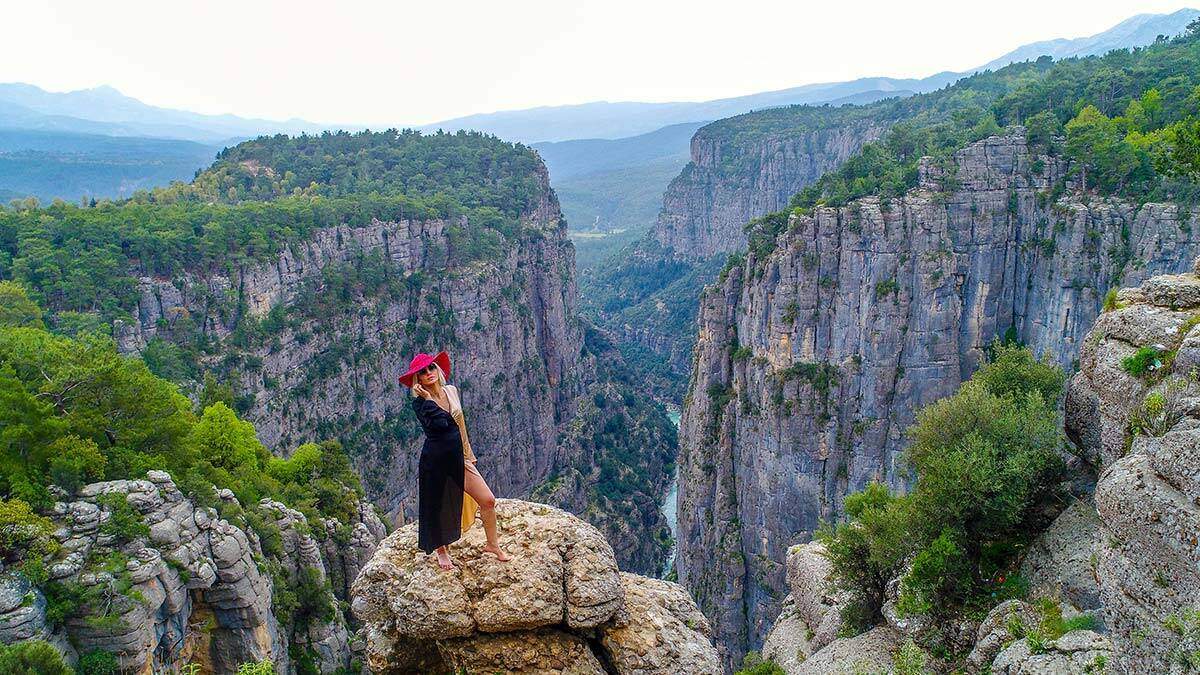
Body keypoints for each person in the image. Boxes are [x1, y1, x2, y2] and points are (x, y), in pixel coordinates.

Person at [399, 351, 510, 569]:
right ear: (418, 379)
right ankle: (442, 550)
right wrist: (429, 400)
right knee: (438, 505)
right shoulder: (420, 404)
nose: (429, 373)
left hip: (459, 456)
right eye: (423, 372)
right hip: (436, 460)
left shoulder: (452, 391)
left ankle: (493, 545)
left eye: (431, 368)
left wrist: (469, 453)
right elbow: (440, 425)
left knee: (487, 500)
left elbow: (460, 426)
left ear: (437, 370)